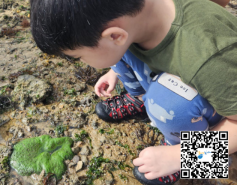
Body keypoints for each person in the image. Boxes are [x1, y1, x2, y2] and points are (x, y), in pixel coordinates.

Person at [29, 0, 237, 184]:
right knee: (118, 54)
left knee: (167, 101)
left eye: (77, 57)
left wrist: (178, 155)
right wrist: (115, 72)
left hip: (221, 110)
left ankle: (201, 158)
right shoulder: (139, 16)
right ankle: (142, 101)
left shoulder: (210, 60)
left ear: (115, 36)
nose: (81, 62)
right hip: (184, 68)